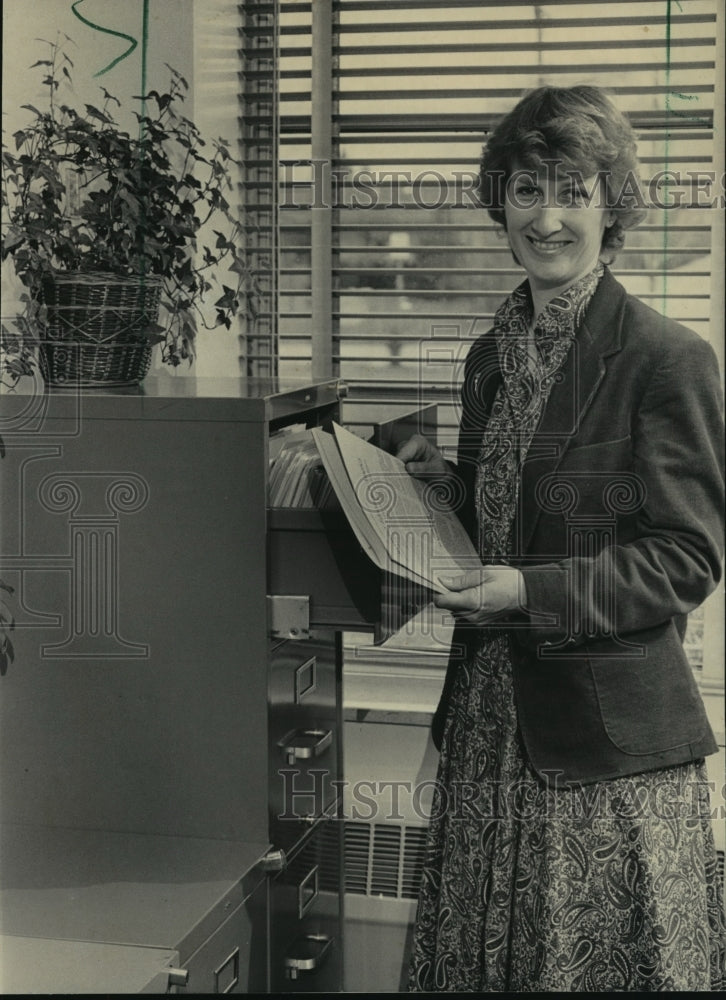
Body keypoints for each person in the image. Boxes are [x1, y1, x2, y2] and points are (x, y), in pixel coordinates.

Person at [397, 85, 726, 992]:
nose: (546, 218)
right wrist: (437, 487)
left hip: (601, 753)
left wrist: (526, 593)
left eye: (573, 192)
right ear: (499, 202)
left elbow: (686, 558)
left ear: (612, 205)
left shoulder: (666, 358)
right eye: (526, 190)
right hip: (487, 727)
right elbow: (508, 522)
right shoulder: (491, 356)